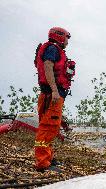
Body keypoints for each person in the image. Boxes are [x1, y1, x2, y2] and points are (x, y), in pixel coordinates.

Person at [33, 27, 76, 172]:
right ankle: (43, 163)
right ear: (59, 36)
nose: (67, 41)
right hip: (51, 95)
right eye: (66, 38)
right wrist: (54, 90)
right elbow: (48, 66)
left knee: (51, 127)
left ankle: (48, 157)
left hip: (50, 96)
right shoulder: (52, 49)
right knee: (48, 128)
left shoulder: (54, 49)